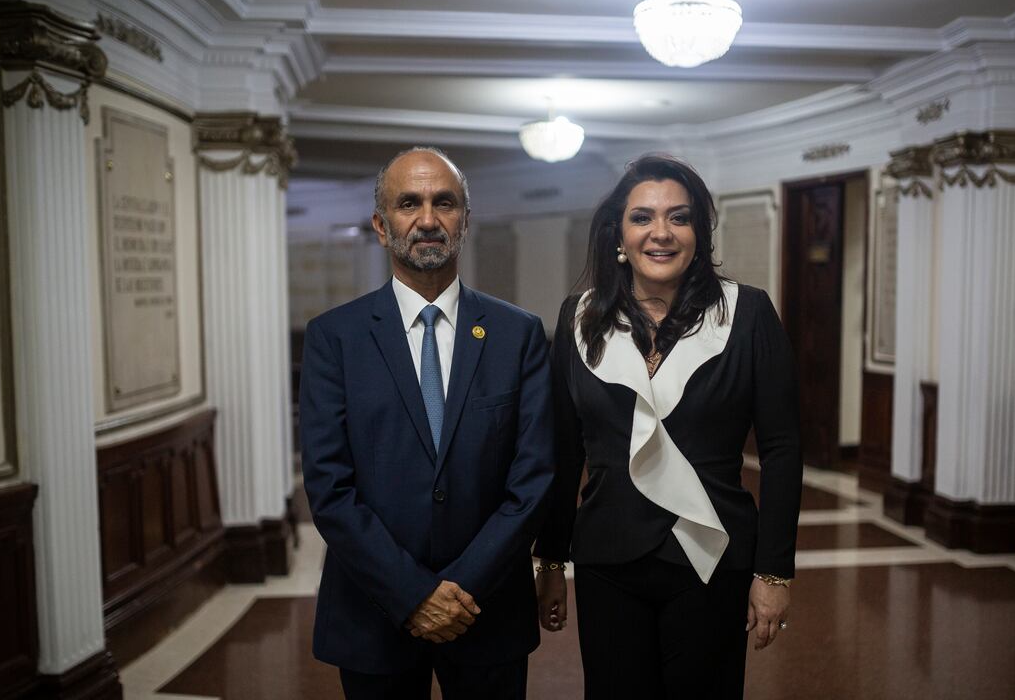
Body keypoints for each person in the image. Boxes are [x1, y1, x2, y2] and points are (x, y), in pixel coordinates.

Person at [533, 154, 802, 699]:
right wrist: (551, 560)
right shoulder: (578, 317)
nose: (661, 233)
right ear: (618, 234)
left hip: (711, 551)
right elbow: (562, 451)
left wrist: (773, 574)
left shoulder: (746, 313)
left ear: (699, 234)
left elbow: (782, 448)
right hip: (608, 557)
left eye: (679, 218)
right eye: (642, 218)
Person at [300, 146, 555, 700]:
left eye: (445, 202)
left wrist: (460, 589)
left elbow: (533, 478)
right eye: (408, 203)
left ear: (465, 219)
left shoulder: (519, 335)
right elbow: (329, 488)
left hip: (486, 611)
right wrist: (413, 595)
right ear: (380, 224)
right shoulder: (334, 340)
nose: (428, 219)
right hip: (373, 612)